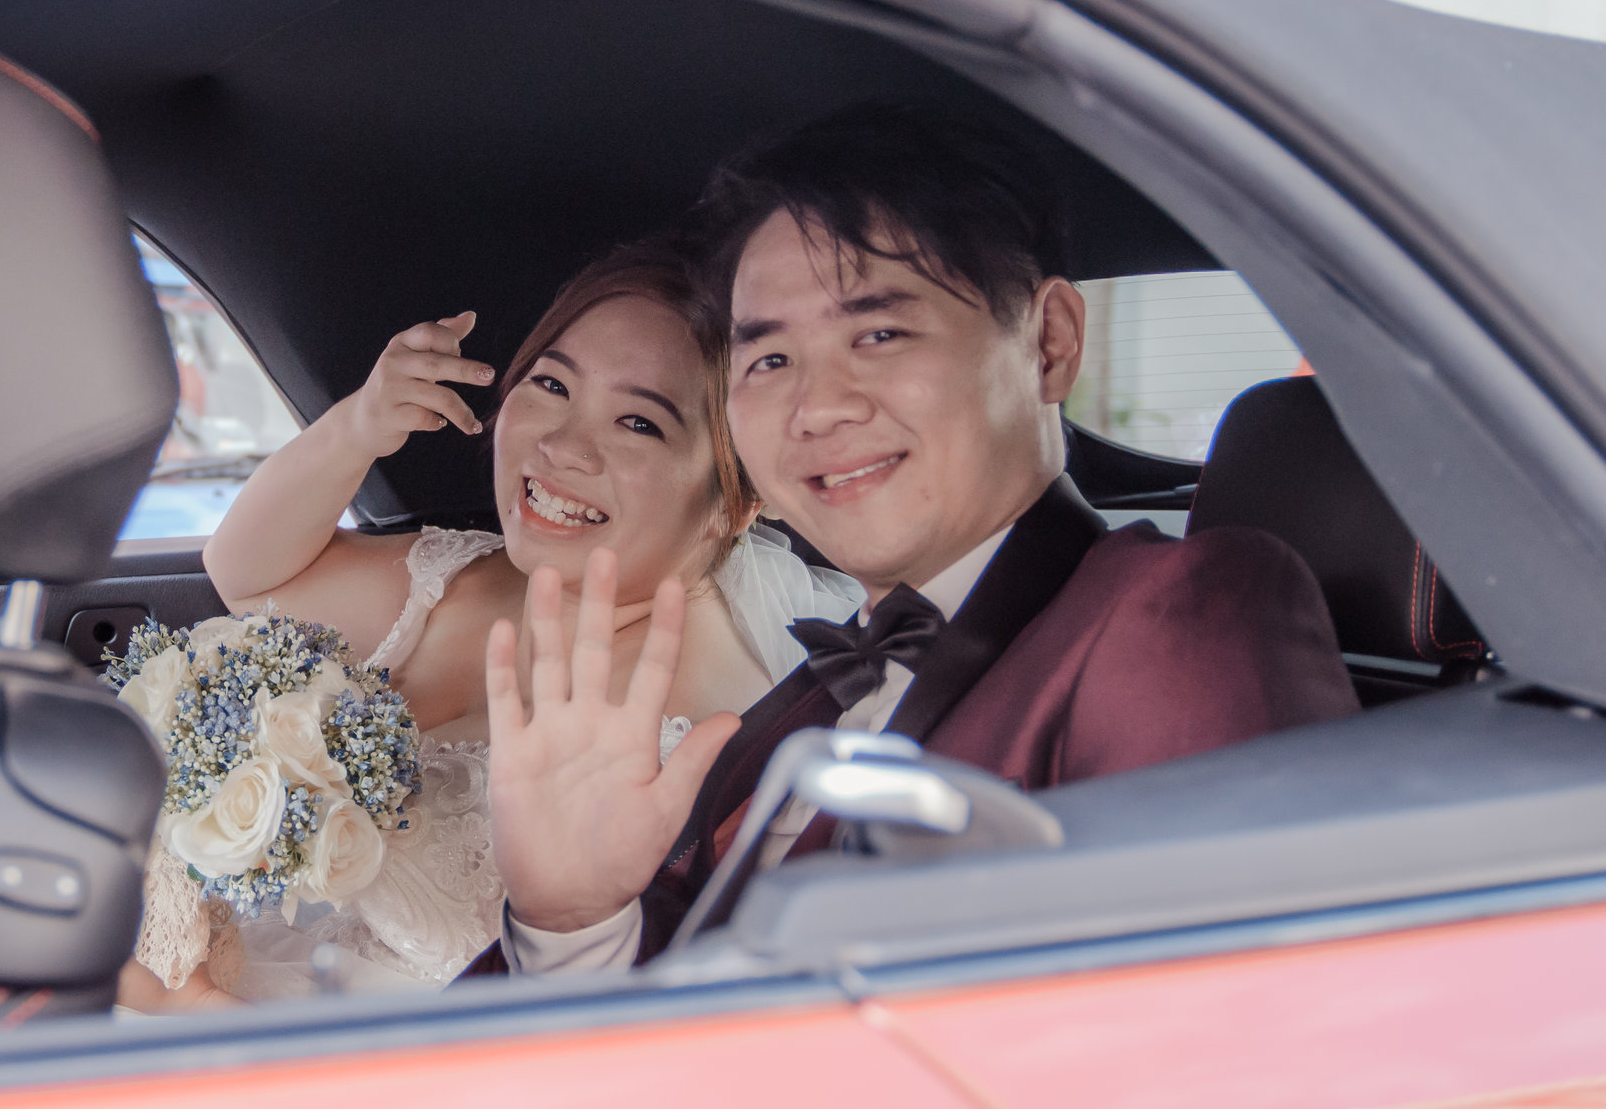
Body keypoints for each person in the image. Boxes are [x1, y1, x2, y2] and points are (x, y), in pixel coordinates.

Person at [483, 106, 1360, 973]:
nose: (817, 407)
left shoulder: (1176, 613)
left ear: (1050, 343)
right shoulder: (805, 700)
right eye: (770, 360)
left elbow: (1238, 1019)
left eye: (879, 334)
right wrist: (574, 924)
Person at [121, 241, 859, 1008]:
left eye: (640, 423)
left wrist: (187, 1006)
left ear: (736, 501)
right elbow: (249, 576)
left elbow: (584, 1020)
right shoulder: (458, 576)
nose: (561, 445)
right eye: (551, 384)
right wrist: (359, 427)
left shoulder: (713, 736)